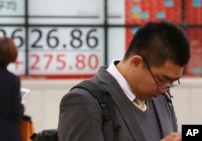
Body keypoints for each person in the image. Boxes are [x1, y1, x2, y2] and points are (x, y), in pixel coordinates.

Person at [58, 20, 190, 141]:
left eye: (173, 82)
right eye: (162, 79)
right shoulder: (84, 101)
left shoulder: (162, 100)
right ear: (136, 63)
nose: (165, 89)